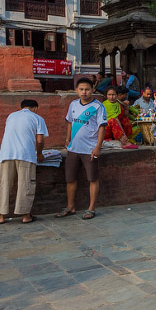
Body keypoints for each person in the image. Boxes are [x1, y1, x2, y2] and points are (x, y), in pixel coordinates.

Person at [0, 99, 48, 225]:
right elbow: (39, 141)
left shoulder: (11, 116)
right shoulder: (38, 118)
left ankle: (0, 215)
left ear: (21, 107)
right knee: (26, 184)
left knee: (2, 184)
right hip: (26, 155)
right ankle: (26, 215)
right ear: (36, 108)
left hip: (6, 154)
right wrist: (39, 154)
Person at [57, 77, 107, 220]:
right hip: (73, 148)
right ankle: (70, 206)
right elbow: (69, 123)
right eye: (81, 89)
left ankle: (91, 208)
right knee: (70, 178)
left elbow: (101, 128)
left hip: (90, 149)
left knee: (92, 178)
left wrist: (98, 147)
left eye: (87, 89)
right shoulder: (73, 105)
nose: (84, 92)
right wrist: (67, 139)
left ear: (92, 90)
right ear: (76, 90)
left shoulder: (98, 106)